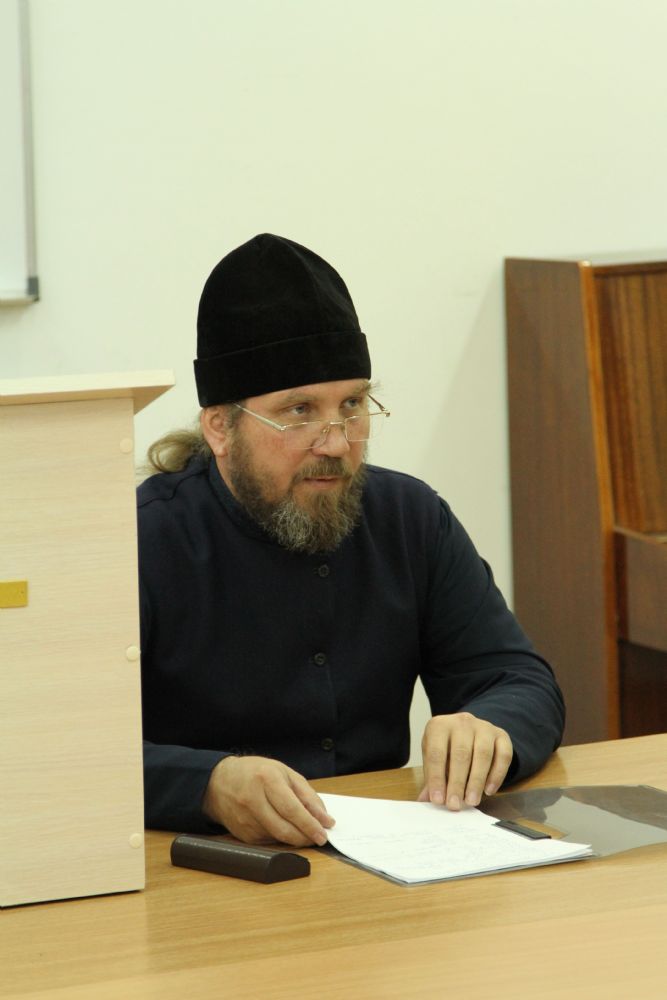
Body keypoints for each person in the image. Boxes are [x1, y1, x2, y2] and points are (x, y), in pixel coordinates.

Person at [138, 233, 565, 846]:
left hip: (393, 858)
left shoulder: (410, 516)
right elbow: (66, 753)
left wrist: (488, 726)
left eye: (353, 405)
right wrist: (204, 784)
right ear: (220, 428)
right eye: (299, 411)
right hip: (208, 865)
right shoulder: (144, 540)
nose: (337, 442)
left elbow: (518, 678)